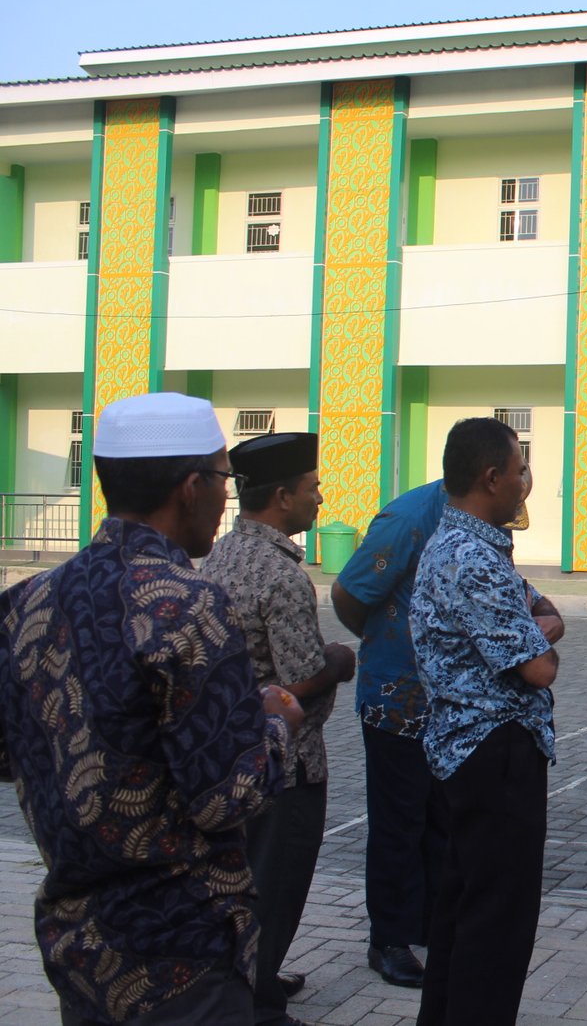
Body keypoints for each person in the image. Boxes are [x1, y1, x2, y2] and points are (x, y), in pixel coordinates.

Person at [0, 392, 303, 1026]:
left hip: (79, 944)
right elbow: (229, 796)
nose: (228, 497)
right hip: (181, 953)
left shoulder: (25, 602)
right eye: (225, 479)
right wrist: (275, 720)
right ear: (191, 487)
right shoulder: (187, 604)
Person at [410, 417, 564, 1026]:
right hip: (492, 754)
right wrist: (539, 637)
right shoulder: (470, 558)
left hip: (476, 753)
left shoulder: (476, 549)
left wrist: (537, 628)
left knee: (463, 904)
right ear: (492, 477)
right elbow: (540, 667)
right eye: (521, 471)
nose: (527, 483)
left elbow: (542, 612)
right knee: (496, 921)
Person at [202, 432, 356, 1025]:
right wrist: (340, 661)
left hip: (227, 750)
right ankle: (260, 1000)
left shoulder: (222, 554)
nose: (320, 501)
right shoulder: (281, 574)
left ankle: (246, 975)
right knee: (278, 884)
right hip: (285, 763)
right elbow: (303, 676)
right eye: (313, 490)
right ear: (282, 496)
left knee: (238, 883)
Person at [331, 478, 449, 988]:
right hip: (397, 699)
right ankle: (389, 940)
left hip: (450, 704)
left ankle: (426, 921)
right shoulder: (408, 520)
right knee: (397, 823)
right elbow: (349, 594)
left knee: (441, 819)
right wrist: (387, 644)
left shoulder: (478, 518)